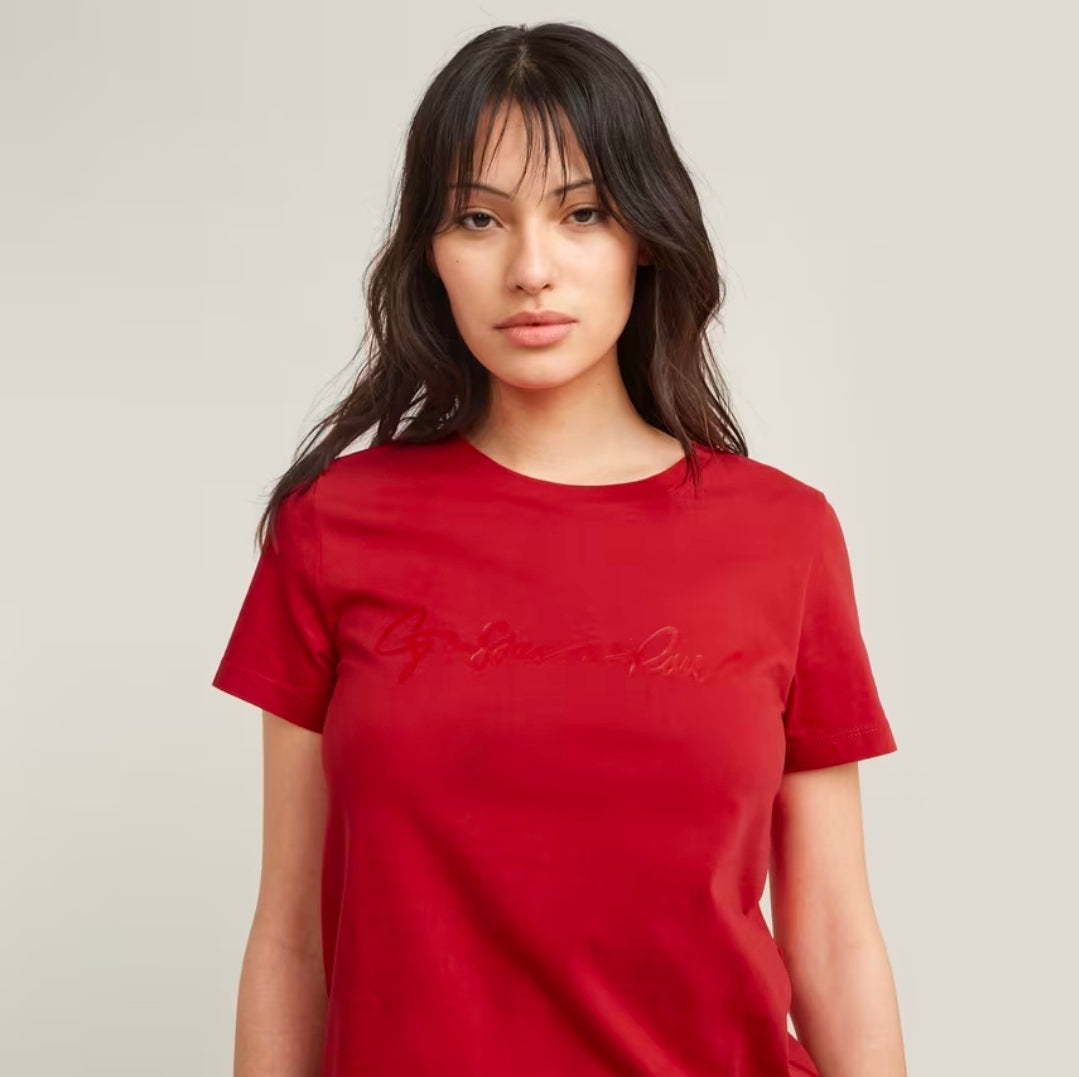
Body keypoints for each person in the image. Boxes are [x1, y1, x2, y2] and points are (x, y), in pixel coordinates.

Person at [211, 21, 906, 1077]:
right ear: (430, 252)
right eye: (477, 219)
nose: (529, 269)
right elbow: (289, 938)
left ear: (644, 236)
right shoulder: (333, 525)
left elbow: (834, 934)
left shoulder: (783, 535)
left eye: (581, 213)